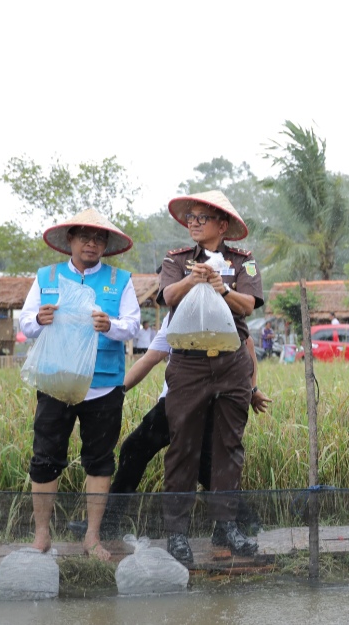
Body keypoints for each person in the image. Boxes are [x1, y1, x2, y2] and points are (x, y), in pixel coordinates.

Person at [66, 315, 271, 539]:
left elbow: (247, 343)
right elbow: (151, 357)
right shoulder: (174, 315)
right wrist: (118, 392)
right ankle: (107, 523)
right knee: (139, 451)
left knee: (187, 461)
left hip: (201, 401)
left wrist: (252, 389)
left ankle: (243, 521)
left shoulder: (211, 306)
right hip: (174, 402)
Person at [18, 209, 139, 560]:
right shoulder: (47, 276)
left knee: (100, 461)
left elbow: (132, 325)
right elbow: (26, 322)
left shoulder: (120, 280)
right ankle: (42, 536)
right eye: (85, 236)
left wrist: (110, 325)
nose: (92, 243)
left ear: (106, 245)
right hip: (56, 382)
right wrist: (39, 319)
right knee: (45, 458)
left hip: (103, 386)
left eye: (99, 238)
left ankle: (92, 537)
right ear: (69, 240)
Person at [158, 190, 264, 564]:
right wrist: (194, 281)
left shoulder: (244, 263)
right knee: (182, 445)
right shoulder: (176, 260)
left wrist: (223, 287)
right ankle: (177, 533)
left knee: (229, 446)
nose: (194, 222)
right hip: (188, 363)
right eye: (191, 218)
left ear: (223, 225)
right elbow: (168, 296)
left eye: (203, 217)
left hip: (232, 362)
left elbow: (248, 305)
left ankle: (226, 526)